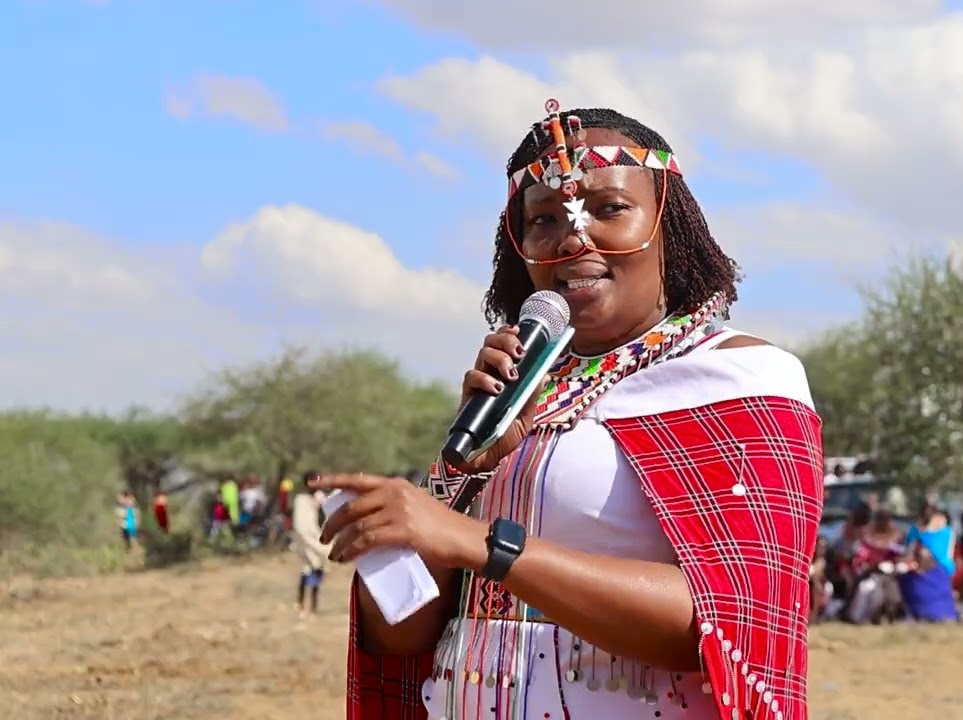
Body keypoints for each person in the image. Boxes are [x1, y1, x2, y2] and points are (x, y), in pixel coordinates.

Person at [311, 100, 824, 719]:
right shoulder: (518, 392)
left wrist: (484, 545)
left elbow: (731, 623)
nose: (574, 237)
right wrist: (452, 484)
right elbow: (403, 634)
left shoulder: (740, 377)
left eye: (610, 208)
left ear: (670, 223)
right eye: (544, 219)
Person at [898, 501, 959, 622]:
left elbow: (909, 551)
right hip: (946, 569)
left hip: (927, 569)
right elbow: (949, 553)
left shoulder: (917, 532)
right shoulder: (948, 531)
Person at [290, 471, 330, 619]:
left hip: (317, 540)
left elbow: (327, 517)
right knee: (306, 571)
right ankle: (300, 605)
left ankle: (313, 608)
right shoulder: (300, 500)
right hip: (305, 542)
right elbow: (300, 524)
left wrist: (321, 503)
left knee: (318, 572)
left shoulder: (321, 498)